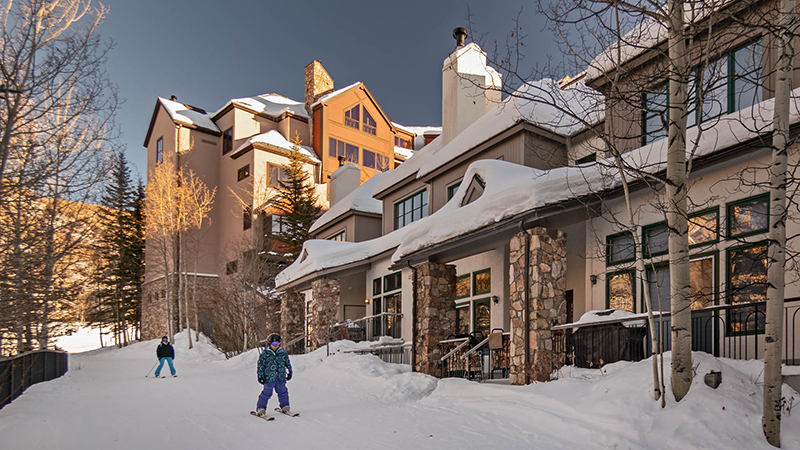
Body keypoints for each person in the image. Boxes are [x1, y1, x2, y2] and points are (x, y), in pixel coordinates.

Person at [255, 333, 293, 416]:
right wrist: (260, 376)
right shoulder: (265, 354)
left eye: (277, 344)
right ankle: (261, 408)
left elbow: (287, 363)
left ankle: (285, 406)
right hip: (269, 377)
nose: (275, 346)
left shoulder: (283, 353)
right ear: (270, 344)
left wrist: (290, 372)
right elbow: (261, 365)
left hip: (280, 377)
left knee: (283, 392)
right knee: (267, 393)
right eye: (273, 344)